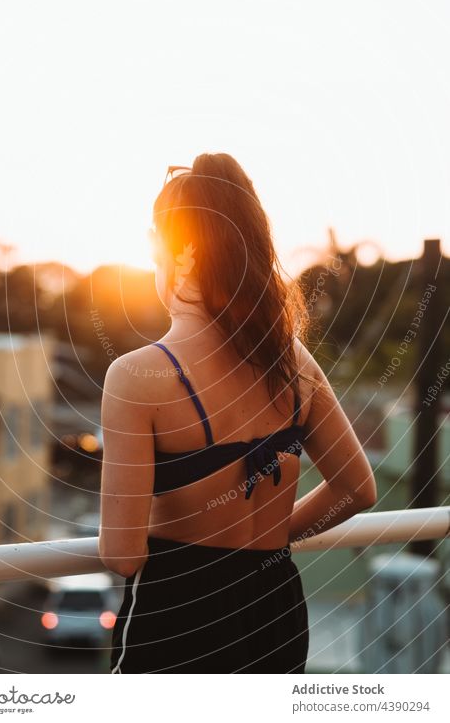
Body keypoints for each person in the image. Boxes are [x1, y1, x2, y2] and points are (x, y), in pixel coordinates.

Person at [99, 153, 377, 673]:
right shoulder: (294, 360)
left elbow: (122, 554)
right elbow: (357, 489)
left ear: (181, 253)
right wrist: (269, 538)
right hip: (275, 606)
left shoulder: (137, 375)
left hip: (181, 616)